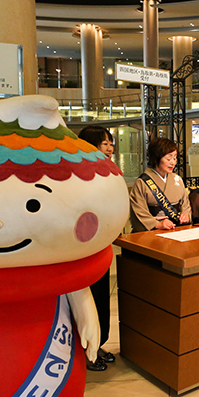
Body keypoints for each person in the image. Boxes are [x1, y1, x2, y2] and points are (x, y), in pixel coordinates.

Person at [78, 125, 117, 371]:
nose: (110, 148)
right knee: (86, 301)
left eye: (111, 144)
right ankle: (84, 351)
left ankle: (98, 344)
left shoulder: (107, 171)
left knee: (102, 298)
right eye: (105, 144)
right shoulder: (77, 174)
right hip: (84, 249)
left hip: (102, 245)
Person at [129, 137, 191, 231]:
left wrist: (185, 215)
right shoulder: (142, 182)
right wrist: (156, 224)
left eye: (175, 158)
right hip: (154, 231)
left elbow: (185, 205)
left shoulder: (177, 179)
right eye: (168, 159)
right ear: (156, 158)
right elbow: (138, 211)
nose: (173, 162)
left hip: (176, 228)